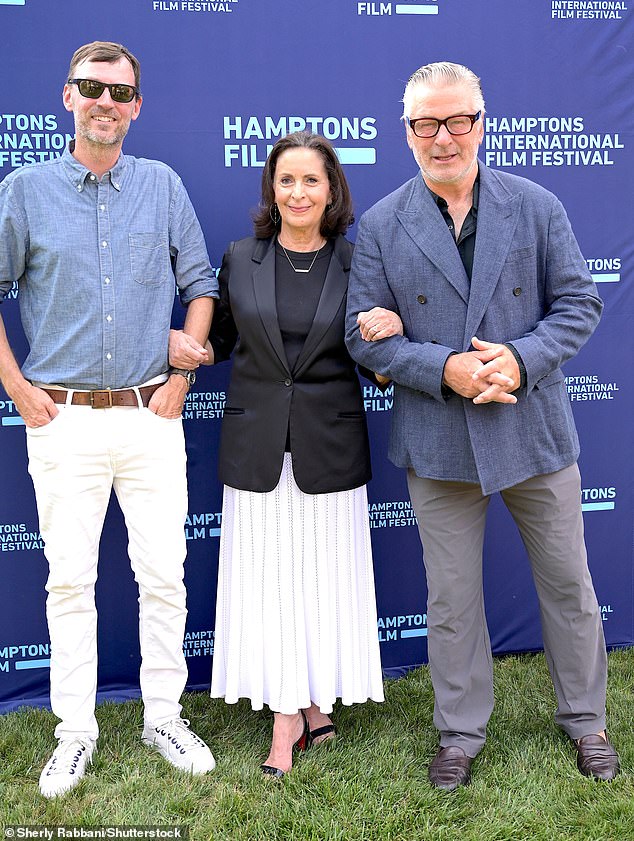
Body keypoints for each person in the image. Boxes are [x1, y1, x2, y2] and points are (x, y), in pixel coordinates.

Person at [344, 61, 619, 790]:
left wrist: (521, 360)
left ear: (481, 122)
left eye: (457, 120)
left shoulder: (535, 205)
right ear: (406, 133)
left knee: (569, 584)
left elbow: (579, 304)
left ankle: (587, 721)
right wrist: (444, 368)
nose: (443, 137)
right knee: (452, 599)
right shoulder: (379, 224)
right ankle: (459, 734)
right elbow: (364, 335)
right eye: (426, 124)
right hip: (438, 439)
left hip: (534, 430)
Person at [0, 41, 217, 798]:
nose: (105, 102)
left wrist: (184, 375)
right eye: (91, 88)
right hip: (62, 420)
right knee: (70, 580)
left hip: (151, 413)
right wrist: (21, 392)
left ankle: (164, 714)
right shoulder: (23, 190)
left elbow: (200, 283)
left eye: (120, 92)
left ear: (136, 106)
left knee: (164, 573)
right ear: (68, 96)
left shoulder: (160, 185)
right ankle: (75, 731)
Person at [170, 131, 395, 777]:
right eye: (286, 180)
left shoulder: (359, 263)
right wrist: (188, 352)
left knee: (326, 579)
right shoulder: (241, 258)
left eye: (311, 181)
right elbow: (224, 341)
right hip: (257, 447)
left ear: (332, 192)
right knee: (272, 580)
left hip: (330, 446)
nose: (298, 192)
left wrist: (394, 334)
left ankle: (308, 702)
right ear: (272, 188)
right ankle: (291, 710)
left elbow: (375, 354)